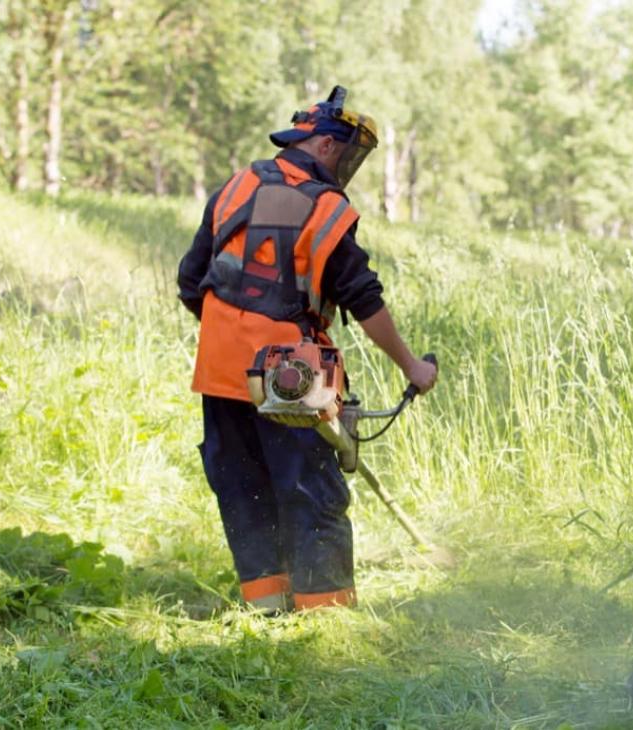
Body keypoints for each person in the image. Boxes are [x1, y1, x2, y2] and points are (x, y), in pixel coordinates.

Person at [176, 86, 437, 613]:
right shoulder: (325, 208)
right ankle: (325, 619)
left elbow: (190, 282)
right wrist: (413, 367)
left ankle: (267, 610)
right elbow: (363, 297)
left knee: (243, 488)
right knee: (310, 491)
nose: (347, 166)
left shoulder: (236, 186)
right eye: (347, 154)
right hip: (288, 378)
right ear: (324, 145)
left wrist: (235, 333)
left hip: (220, 369)